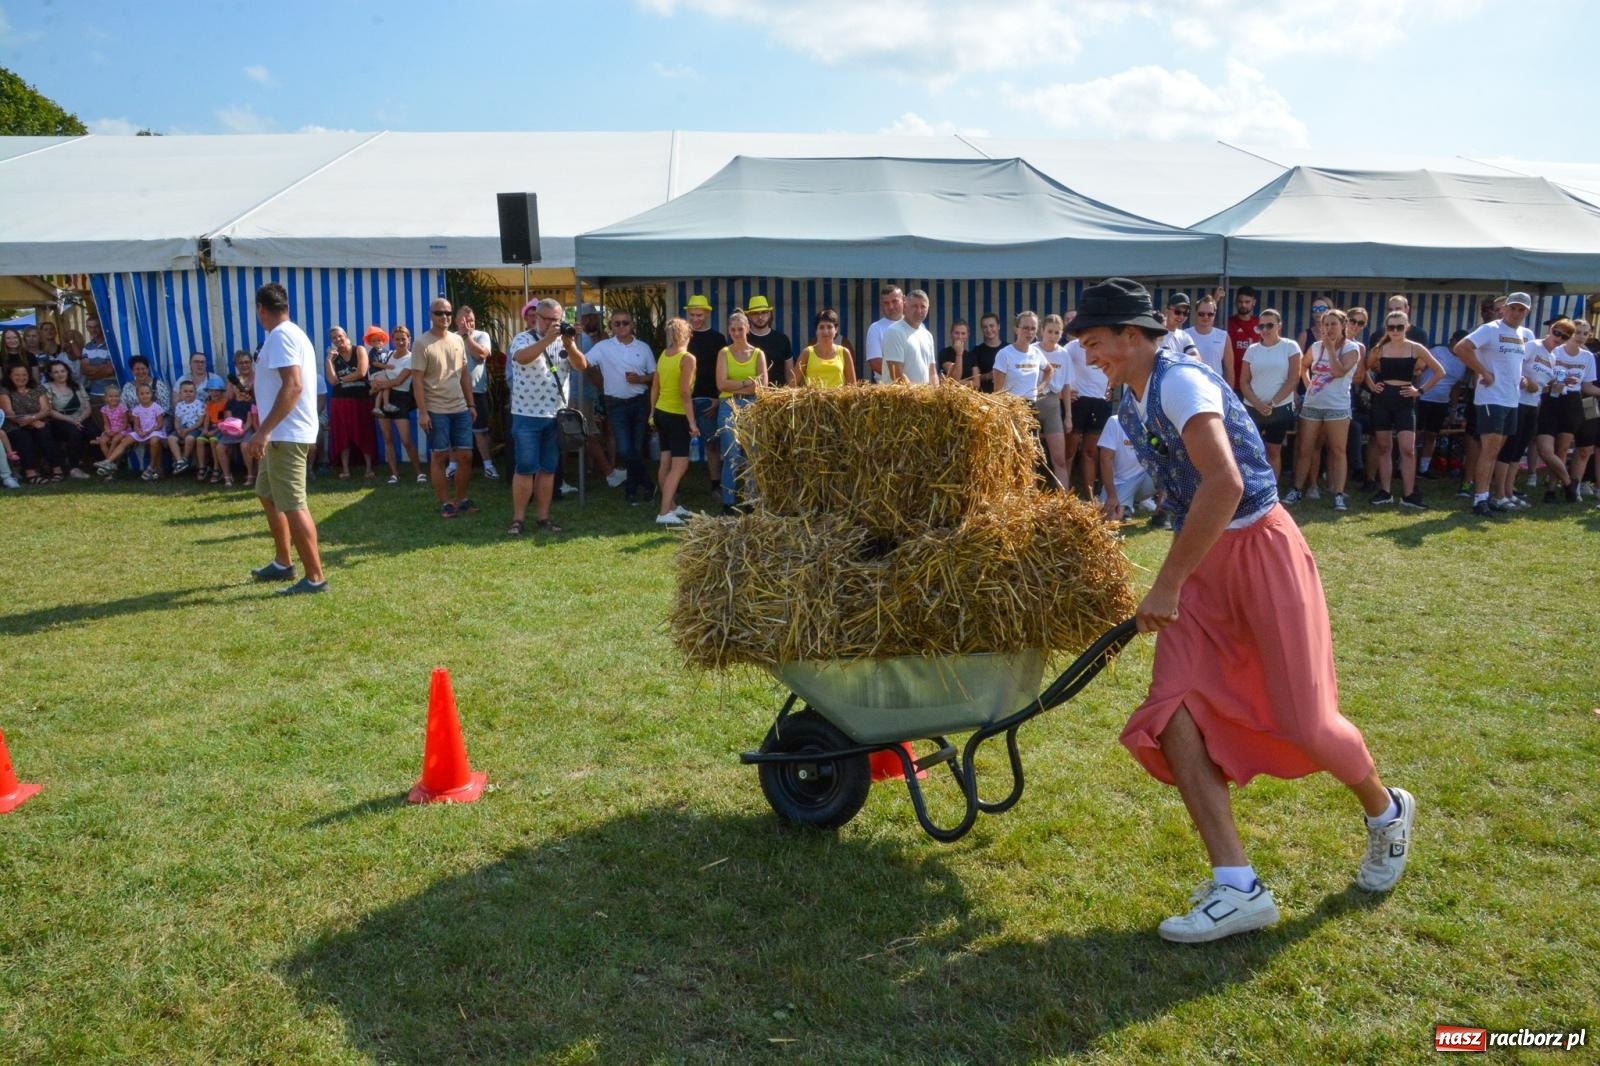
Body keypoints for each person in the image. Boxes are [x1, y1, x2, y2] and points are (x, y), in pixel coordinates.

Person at [1068, 277, 1414, 944]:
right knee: (1172, 713)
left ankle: (1385, 810)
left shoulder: (1179, 381)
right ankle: (1238, 886)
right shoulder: (1131, 393)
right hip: (1204, 563)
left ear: (1133, 335)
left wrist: (1167, 585)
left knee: (1306, 721)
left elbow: (1225, 483)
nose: (1091, 356)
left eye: (1096, 343)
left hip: (1259, 550)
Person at [240, 283, 326, 593]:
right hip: (284, 433)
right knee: (267, 493)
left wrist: (263, 431)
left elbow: (293, 386)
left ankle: (315, 578)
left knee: (293, 504)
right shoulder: (291, 334)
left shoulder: (280, 337)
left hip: (285, 434)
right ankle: (283, 562)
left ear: (260, 309)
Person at [504, 299, 590, 535]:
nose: (553, 324)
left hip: (556, 416)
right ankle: (518, 519)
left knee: (548, 469)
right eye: (548, 319)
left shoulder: (563, 340)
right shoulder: (522, 338)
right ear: (537, 318)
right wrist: (547, 340)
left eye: (557, 320)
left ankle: (543, 518)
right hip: (526, 415)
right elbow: (522, 358)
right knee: (525, 467)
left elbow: (582, 366)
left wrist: (570, 344)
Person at [1453, 293, 1536, 517]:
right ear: (1505, 308)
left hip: (1511, 399)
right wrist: (1484, 372)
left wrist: (1520, 378)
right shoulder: (1490, 329)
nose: (1517, 313)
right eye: (1514, 308)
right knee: (1489, 450)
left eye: (1522, 310)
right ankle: (1480, 499)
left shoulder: (1521, 334)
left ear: (1527, 312)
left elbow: (1512, 362)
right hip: (1492, 398)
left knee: (1497, 451)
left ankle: (1489, 495)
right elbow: (1461, 348)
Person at [1365, 310, 1443, 508]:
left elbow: (1439, 371)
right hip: (1382, 399)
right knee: (1384, 448)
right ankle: (1385, 491)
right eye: (1391, 327)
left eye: (1399, 327)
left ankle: (1409, 494)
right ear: (1386, 328)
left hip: (1405, 399)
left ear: (1407, 327)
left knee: (1408, 449)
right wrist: (1372, 386)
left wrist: (1420, 390)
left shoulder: (1415, 348)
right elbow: (1363, 368)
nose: (1395, 331)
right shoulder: (1380, 348)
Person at [1284, 310, 1360, 512]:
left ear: (1343, 325)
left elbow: (1338, 372)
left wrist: (1331, 349)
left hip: (1337, 406)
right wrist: (1308, 383)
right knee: (1305, 449)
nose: (1329, 328)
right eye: (1326, 325)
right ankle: (1297, 489)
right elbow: (1303, 364)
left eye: (1333, 324)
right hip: (1313, 405)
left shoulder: (1352, 349)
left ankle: (1338, 493)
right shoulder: (1316, 346)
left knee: (1338, 450)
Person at [414, 296, 478, 519]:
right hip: (435, 409)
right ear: (431, 315)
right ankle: (445, 503)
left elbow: (464, 375)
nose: (444, 317)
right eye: (439, 313)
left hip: (460, 407)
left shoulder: (458, 340)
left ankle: (460, 499)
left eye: (448, 313)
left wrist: (470, 403)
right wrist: (423, 412)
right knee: (439, 457)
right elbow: (417, 381)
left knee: (466, 456)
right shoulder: (422, 342)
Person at [584, 309, 656, 504]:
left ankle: (631, 491)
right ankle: (648, 484)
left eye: (625, 322)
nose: (622, 326)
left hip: (639, 402)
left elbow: (655, 375)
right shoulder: (603, 347)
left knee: (636, 447)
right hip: (615, 403)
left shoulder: (643, 347)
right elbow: (585, 362)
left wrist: (640, 378)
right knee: (625, 449)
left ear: (632, 325)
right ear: (611, 327)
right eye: (617, 323)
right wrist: (570, 346)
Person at [1237, 309, 1302, 483]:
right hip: (1253, 407)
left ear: (1279, 326)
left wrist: (1272, 403)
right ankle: (1252, 489)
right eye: (1261, 326)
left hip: (1279, 408)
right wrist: (1258, 404)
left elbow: (1293, 378)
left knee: (1273, 450)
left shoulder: (1290, 346)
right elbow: (1244, 381)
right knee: (1251, 451)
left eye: (1270, 325)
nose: (1265, 329)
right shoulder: (1252, 349)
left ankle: (1272, 492)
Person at [714, 311, 769, 512]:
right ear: (729, 331)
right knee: (731, 451)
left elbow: (762, 385)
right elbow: (721, 384)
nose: (737, 333)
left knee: (753, 452)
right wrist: (747, 382)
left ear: (747, 329)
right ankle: (728, 501)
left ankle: (750, 500)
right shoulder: (724, 353)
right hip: (728, 404)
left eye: (740, 329)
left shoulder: (758, 353)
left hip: (753, 404)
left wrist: (735, 384)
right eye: (733, 329)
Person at [650, 317, 698, 526]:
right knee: (680, 465)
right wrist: (692, 423)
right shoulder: (687, 358)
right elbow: (685, 392)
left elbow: (655, 387)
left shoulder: (663, 354)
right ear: (688, 334)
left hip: (661, 412)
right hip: (676, 415)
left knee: (665, 462)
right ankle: (664, 512)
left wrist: (652, 412)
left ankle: (671, 506)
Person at [1551, 317, 1598, 501]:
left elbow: (1588, 386)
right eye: (1578, 332)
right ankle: (1557, 486)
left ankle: (1576, 486)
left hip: (1586, 405)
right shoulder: (1556, 352)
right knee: (1560, 448)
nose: (1581, 336)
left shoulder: (1589, 357)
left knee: (1585, 448)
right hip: (1561, 401)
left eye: (1585, 333)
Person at [684, 294, 728, 490]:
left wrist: (718, 399)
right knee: (680, 448)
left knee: (712, 445)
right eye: (692, 315)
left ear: (708, 314)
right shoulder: (682, 339)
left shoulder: (718, 339)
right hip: (684, 401)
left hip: (709, 401)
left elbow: (723, 371)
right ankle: (676, 489)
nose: (696, 319)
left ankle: (715, 485)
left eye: (699, 315)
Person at [372, 325, 424, 485]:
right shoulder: (388, 355)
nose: (401, 342)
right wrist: (378, 384)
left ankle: (419, 473)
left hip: (401, 399)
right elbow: (377, 373)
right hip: (386, 397)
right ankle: (394, 474)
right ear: (392, 340)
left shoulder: (412, 358)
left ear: (409, 340)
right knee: (387, 438)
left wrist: (378, 385)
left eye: (404, 339)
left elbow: (399, 380)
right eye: (397, 339)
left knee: (406, 440)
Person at [324, 326, 376, 480]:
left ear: (345, 336)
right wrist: (328, 361)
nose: (337, 340)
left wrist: (342, 379)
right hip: (340, 401)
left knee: (365, 431)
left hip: (361, 399)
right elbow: (332, 381)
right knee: (342, 434)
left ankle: (369, 468)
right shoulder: (333, 358)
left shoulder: (359, 350)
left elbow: (361, 372)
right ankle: (345, 469)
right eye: (334, 338)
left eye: (339, 336)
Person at [1, 362, 66, 483]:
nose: (21, 378)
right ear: (10, 376)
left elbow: (46, 409)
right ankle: (30, 473)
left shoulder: (37, 387)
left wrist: (33, 419)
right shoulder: (4, 390)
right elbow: (9, 412)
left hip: (38, 421)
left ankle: (57, 469)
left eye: (24, 374)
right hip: (14, 424)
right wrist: (31, 422)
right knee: (23, 437)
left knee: (44, 433)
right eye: (17, 375)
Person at [1065, 331, 1112, 499]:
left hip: (1100, 402)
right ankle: (1063, 496)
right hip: (1078, 401)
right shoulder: (1070, 347)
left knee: (1091, 452)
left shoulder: (1105, 342)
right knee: (1069, 451)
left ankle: (1091, 497)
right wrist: (1065, 392)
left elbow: (1115, 365)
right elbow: (1058, 367)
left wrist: (1111, 386)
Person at [1417, 329, 1468, 479]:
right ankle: (1403, 466)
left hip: (1441, 402)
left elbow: (1456, 387)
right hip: (1424, 397)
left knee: (1432, 434)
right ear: (1452, 341)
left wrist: (1453, 409)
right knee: (1417, 433)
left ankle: (1423, 468)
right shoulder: (1438, 351)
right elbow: (1419, 368)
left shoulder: (1464, 361)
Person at [456, 306, 498, 481]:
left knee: (480, 430)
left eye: (471, 320)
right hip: (454, 392)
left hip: (477, 391)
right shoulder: (450, 338)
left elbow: (481, 355)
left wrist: (466, 336)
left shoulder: (482, 335)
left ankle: (488, 465)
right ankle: (452, 466)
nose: (469, 323)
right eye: (465, 320)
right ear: (457, 321)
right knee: (455, 430)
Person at [1037, 313, 1074, 489]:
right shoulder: (1033, 350)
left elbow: (1066, 386)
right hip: (1033, 403)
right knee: (1030, 457)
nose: (1053, 336)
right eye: (1050, 331)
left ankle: (1063, 500)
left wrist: (1068, 416)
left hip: (1053, 405)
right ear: (1042, 331)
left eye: (1057, 332)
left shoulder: (1064, 354)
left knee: (1059, 458)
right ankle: (1028, 500)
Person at [1096, 415, 1157, 521]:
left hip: (1144, 479)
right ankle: (1127, 506)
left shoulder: (1153, 422)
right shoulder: (1114, 422)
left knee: (1170, 468)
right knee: (1111, 517)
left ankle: (1162, 512)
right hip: (1118, 484)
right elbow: (1105, 460)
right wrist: (1111, 496)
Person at [40, 359, 94, 478]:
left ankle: (100, 464)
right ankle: (74, 468)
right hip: (60, 421)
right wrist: (71, 420)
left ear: (67, 372)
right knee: (74, 432)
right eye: (56, 372)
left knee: (94, 432)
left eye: (62, 371)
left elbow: (87, 407)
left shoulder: (77, 385)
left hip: (81, 418)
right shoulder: (46, 387)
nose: (60, 374)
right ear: (50, 374)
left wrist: (80, 419)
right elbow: (49, 410)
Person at [882, 289, 939, 385]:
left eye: (923, 306)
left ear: (928, 309)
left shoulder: (927, 335)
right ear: (905, 307)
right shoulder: (895, 331)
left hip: (923, 398)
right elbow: (896, 374)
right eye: (914, 306)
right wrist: (917, 397)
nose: (919, 310)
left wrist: (935, 395)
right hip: (901, 398)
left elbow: (932, 372)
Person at [794, 309, 855, 388]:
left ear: (836, 329)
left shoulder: (844, 352)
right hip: (812, 399)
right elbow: (792, 384)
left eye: (829, 327)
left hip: (838, 400)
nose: (825, 331)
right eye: (821, 327)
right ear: (816, 330)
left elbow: (853, 387)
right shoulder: (807, 353)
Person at [745, 295, 793, 388]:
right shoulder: (743, 339)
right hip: (751, 396)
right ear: (749, 316)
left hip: (778, 396)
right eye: (755, 313)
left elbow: (790, 374)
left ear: (770, 314)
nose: (760, 317)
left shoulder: (782, 339)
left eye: (764, 312)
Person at [90, 383, 134, 477]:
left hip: (122, 430)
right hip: (111, 429)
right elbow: (106, 423)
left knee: (115, 440)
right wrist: (108, 431)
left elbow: (125, 424)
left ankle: (107, 462)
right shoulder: (104, 409)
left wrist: (116, 432)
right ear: (105, 398)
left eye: (116, 396)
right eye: (111, 396)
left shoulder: (122, 408)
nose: (114, 398)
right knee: (102, 441)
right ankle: (110, 463)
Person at [126, 382, 169, 480]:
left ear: (151, 394)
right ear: (137, 396)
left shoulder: (157, 407)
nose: (145, 396)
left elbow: (160, 424)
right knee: (126, 440)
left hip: (156, 432)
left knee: (154, 441)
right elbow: (136, 425)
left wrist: (148, 431)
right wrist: (139, 431)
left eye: (147, 393)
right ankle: (109, 462)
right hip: (144, 433)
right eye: (142, 394)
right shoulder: (136, 409)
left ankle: (152, 466)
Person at [864, 285, 904, 384]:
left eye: (894, 301)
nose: (890, 307)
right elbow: (875, 363)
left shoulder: (919, 326)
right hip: (889, 390)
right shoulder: (876, 328)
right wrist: (903, 381)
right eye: (886, 303)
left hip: (918, 388)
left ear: (904, 299)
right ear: (881, 304)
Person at [167, 379, 206, 476]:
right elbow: (177, 420)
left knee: (190, 438)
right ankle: (180, 461)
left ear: (195, 392)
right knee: (171, 438)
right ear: (180, 393)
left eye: (191, 391)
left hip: (195, 428)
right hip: (182, 428)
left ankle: (185, 458)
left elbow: (200, 421)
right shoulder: (179, 405)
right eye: (185, 391)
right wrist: (178, 430)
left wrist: (188, 430)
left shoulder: (199, 404)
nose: (188, 394)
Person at [1225, 285, 1261, 391]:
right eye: (1240, 302)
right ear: (1236, 302)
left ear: (1254, 302)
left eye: (1247, 302)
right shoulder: (1227, 322)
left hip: (1255, 383)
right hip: (1233, 383)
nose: (1243, 305)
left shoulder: (1261, 324)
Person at [1188, 295, 1229, 384]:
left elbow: (1229, 369)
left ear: (1215, 315)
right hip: (1191, 387)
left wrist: (1229, 395)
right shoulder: (1185, 335)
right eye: (1201, 314)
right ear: (1196, 313)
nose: (1206, 317)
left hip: (1215, 388)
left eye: (1210, 314)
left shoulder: (1223, 336)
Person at [961, 313, 1003, 392]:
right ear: (982, 329)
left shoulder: (1009, 349)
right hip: (985, 397)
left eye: (991, 326)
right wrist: (988, 376)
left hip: (1008, 397)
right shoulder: (976, 351)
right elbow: (970, 378)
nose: (988, 329)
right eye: (985, 327)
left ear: (998, 326)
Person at [79, 316, 115, 404]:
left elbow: (110, 370)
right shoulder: (87, 347)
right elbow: (84, 369)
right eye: (90, 327)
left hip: (113, 393)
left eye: (96, 326)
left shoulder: (112, 345)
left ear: (101, 326)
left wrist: (92, 376)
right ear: (87, 328)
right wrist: (102, 367)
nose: (93, 330)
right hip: (94, 392)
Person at [1159, 292, 1199, 358]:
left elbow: (1197, 358)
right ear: (1166, 311)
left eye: (1185, 313)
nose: (1181, 316)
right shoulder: (1156, 334)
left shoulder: (1184, 335)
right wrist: (1186, 358)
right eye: (1177, 312)